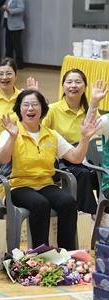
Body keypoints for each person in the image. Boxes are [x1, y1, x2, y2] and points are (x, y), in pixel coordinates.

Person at [0, 90, 96, 251]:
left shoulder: (52, 135)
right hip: (17, 185)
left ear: (42, 109)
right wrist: (12, 138)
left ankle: (66, 253)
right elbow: (3, 159)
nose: (31, 108)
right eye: (26, 105)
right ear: (19, 109)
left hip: (45, 184)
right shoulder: (10, 132)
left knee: (68, 202)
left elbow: (76, 158)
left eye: (35, 104)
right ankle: (40, 254)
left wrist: (84, 139)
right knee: (40, 204)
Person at [43, 69, 108, 214]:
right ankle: (90, 215)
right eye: (69, 82)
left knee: (104, 171)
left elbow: (95, 132)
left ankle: (105, 211)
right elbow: (41, 135)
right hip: (61, 157)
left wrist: (94, 103)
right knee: (83, 174)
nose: (73, 85)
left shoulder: (89, 109)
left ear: (84, 87)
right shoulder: (52, 110)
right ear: (63, 86)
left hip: (84, 153)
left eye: (78, 82)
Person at [3, 0, 26, 65]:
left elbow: (21, 8)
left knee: (16, 45)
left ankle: (19, 63)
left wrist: (9, 10)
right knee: (8, 45)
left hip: (16, 25)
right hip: (9, 24)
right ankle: (8, 62)